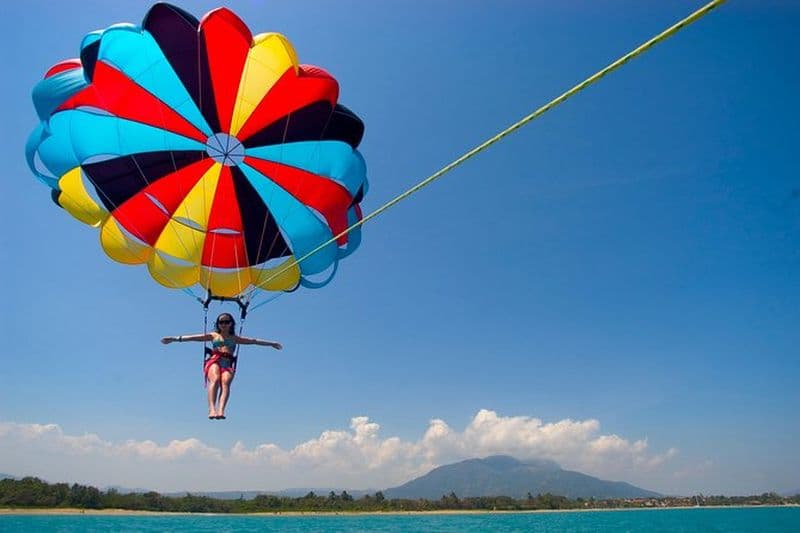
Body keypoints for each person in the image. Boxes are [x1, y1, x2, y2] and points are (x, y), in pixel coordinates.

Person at [161, 313, 282, 419]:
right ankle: (212, 409)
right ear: (218, 324)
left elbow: (254, 341)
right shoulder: (213, 336)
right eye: (221, 322)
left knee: (225, 383)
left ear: (231, 324)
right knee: (215, 379)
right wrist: (174, 339)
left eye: (226, 322)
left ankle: (221, 409)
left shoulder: (235, 338)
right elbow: (193, 338)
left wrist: (271, 343)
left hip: (228, 363)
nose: (223, 324)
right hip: (214, 360)